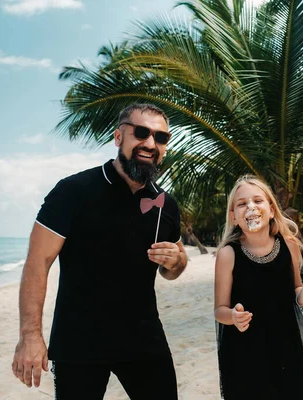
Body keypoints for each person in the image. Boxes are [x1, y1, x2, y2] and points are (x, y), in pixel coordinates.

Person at [12, 103, 188, 399]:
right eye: (141, 133)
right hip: (79, 341)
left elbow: (174, 268)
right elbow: (38, 263)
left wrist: (177, 261)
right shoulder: (73, 191)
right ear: (119, 136)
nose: (150, 143)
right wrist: (30, 336)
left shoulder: (165, 204)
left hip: (144, 340)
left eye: (160, 137)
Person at [214, 175, 303, 400]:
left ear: (272, 210)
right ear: (234, 217)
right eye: (242, 203)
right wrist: (233, 317)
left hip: (286, 345)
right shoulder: (228, 254)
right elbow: (219, 310)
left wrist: (302, 295)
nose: (251, 207)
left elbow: (295, 288)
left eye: (258, 200)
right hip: (244, 352)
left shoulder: (289, 245)